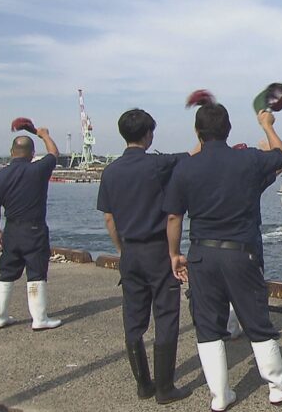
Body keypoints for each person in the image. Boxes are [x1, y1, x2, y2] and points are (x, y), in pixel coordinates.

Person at [163, 100, 282, 412]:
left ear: (197, 131)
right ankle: (278, 387)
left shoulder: (185, 167)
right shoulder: (248, 160)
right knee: (257, 320)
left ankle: (220, 395)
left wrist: (174, 254)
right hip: (241, 254)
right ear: (228, 130)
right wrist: (267, 125)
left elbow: (173, 217)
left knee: (207, 326)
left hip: (201, 254)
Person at [96, 109, 193, 404]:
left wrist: (121, 249)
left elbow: (109, 219)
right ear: (148, 134)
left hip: (130, 252)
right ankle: (165, 388)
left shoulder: (110, 172)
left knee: (133, 321)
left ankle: (143, 384)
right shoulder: (158, 164)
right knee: (166, 316)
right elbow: (193, 154)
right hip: (158, 250)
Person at [0, 127, 62, 331]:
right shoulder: (38, 169)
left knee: (6, 272)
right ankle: (39, 319)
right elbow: (54, 154)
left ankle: (0, 317)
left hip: (11, 230)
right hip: (34, 229)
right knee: (36, 272)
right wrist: (44, 134)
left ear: (12, 152)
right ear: (32, 153)